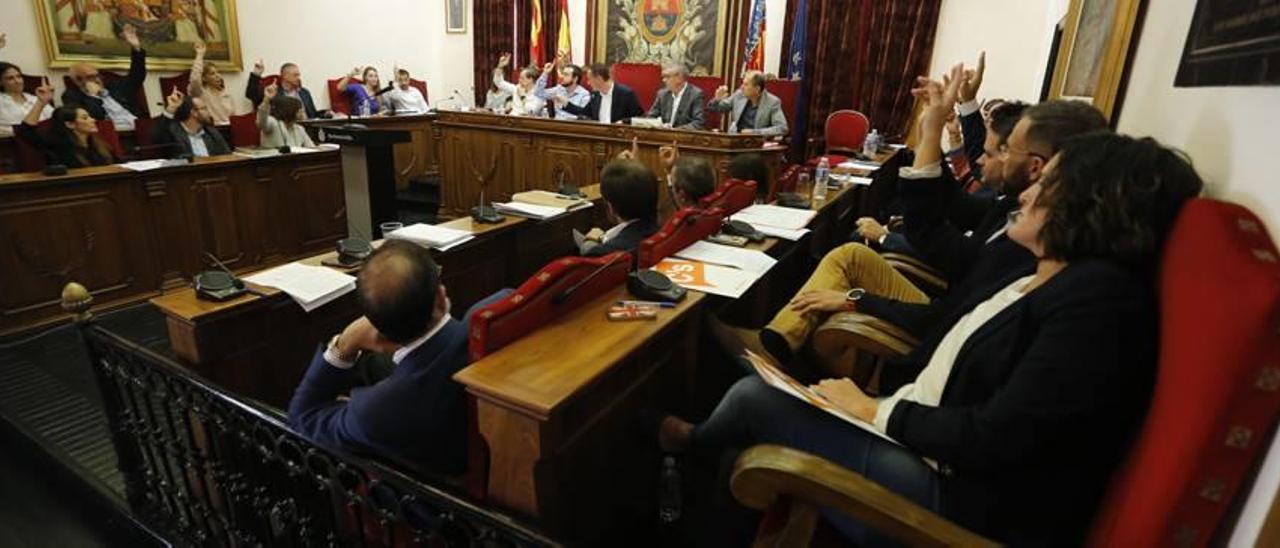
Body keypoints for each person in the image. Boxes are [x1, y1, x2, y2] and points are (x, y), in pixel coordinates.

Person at [658, 129, 1205, 546]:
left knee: (754, 404)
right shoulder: (1056, 274)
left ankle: (688, 465)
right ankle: (692, 485)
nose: (1031, 189)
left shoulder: (1098, 306)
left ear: (1089, 204)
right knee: (760, 405)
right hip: (927, 441)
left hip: (958, 502)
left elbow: (996, 439)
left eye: (1048, 181)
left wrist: (874, 413)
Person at [758, 65, 1107, 366]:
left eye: (1004, 149)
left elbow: (933, 242)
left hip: (941, 332)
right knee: (850, 254)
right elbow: (961, 200)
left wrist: (857, 300)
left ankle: (776, 351)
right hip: (947, 306)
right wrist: (938, 125)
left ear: (1036, 167)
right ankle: (777, 340)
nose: (989, 158)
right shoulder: (1015, 203)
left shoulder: (1033, 241)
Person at [288, 240, 497, 474]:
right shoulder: (498, 311)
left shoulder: (378, 410)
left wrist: (345, 343)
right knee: (376, 367)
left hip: (430, 501)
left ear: (376, 327)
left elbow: (303, 417)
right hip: (495, 460)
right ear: (440, 296)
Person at [62, 24, 147, 130]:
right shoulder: (72, 97)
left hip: (138, 127)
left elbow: (137, 76)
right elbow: (94, 120)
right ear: (78, 81)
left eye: (97, 75)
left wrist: (136, 48)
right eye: (91, 77)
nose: (97, 79)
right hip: (114, 134)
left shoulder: (114, 87)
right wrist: (93, 96)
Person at [16, 83, 116, 168]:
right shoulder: (58, 146)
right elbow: (25, 131)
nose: (93, 120)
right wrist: (41, 103)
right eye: (85, 118)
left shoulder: (98, 143)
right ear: (70, 124)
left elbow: (117, 163)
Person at [579, 159, 661, 256]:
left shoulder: (606, 252)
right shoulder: (663, 231)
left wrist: (589, 240)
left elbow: (588, 252)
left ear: (611, 208)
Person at [151, 88, 230, 158]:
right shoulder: (174, 132)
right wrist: (171, 109)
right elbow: (157, 139)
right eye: (204, 108)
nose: (209, 112)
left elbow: (227, 156)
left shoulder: (211, 132)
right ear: (194, 112)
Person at [557, 63, 644, 124]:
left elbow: (639, 118)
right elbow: (584, 112)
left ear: (599, 78)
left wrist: (624, 122)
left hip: (619, 138)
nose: (588, 83)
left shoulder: (625, 93)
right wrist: (566, 103)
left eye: (589, 79)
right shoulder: (595, 95)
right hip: (598, 136)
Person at [707, 71, 787, 136]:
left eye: (746, 84)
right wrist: (717, 100)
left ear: (757, 89)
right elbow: (716, 109)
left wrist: (755, 132)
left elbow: (782, 128)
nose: (742, 87)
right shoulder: (739, 95)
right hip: (736, 141)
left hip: (757, 146)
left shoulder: (772, 102)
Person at [187, 41, 244, 125]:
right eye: (212, 73)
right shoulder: (200, 93)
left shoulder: (227, 95)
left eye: (218, 72)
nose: (218, 76)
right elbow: (195, 79)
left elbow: (234, 119)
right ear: (204, 78)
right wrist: (200, 55)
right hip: (213, 130)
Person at [247, 62, 319, 120]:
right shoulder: (273, 92)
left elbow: (313, 115)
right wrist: (256, 74)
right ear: (284, 75)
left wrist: (325, 114)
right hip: (285, 132)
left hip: (308, 131)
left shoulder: (305, 92)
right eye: (295, 75)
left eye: (299, 75)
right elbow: (251, 95)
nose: (298, 78)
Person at [533, 50, 591, 121]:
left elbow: (584, 115)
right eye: (563, 74)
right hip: (557, 125)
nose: (563, 77)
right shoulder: (559, 89)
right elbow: (537, 92)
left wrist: (566, 103)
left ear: (575, 79)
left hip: (574, 127)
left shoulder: (584, 95)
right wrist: (545, 73)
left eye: (566, 75)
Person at [0, 62, 53, 137]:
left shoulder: (34, 98)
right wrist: (40, 103)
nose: (18, 81)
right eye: (10, 78)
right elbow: (22, 130)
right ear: (1, 82)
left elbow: (55, 117)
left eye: (19, 76)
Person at [647, 63, 705, 129]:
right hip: (662, 135)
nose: (664, 80)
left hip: (683, 136)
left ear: (679, 78)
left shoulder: (695, 94)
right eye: (663, 77)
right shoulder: (662, 94)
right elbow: (650, 118)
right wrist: (659, 126)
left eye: (667, 77)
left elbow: (698, 123)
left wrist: (675, 130)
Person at [256, 83, 315, 148]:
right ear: (290, 110)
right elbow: (261, 119)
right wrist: (267, 99)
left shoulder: (299, 128)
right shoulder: (272, 123)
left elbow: (311, 148)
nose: (303, 113)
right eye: (299, 110)